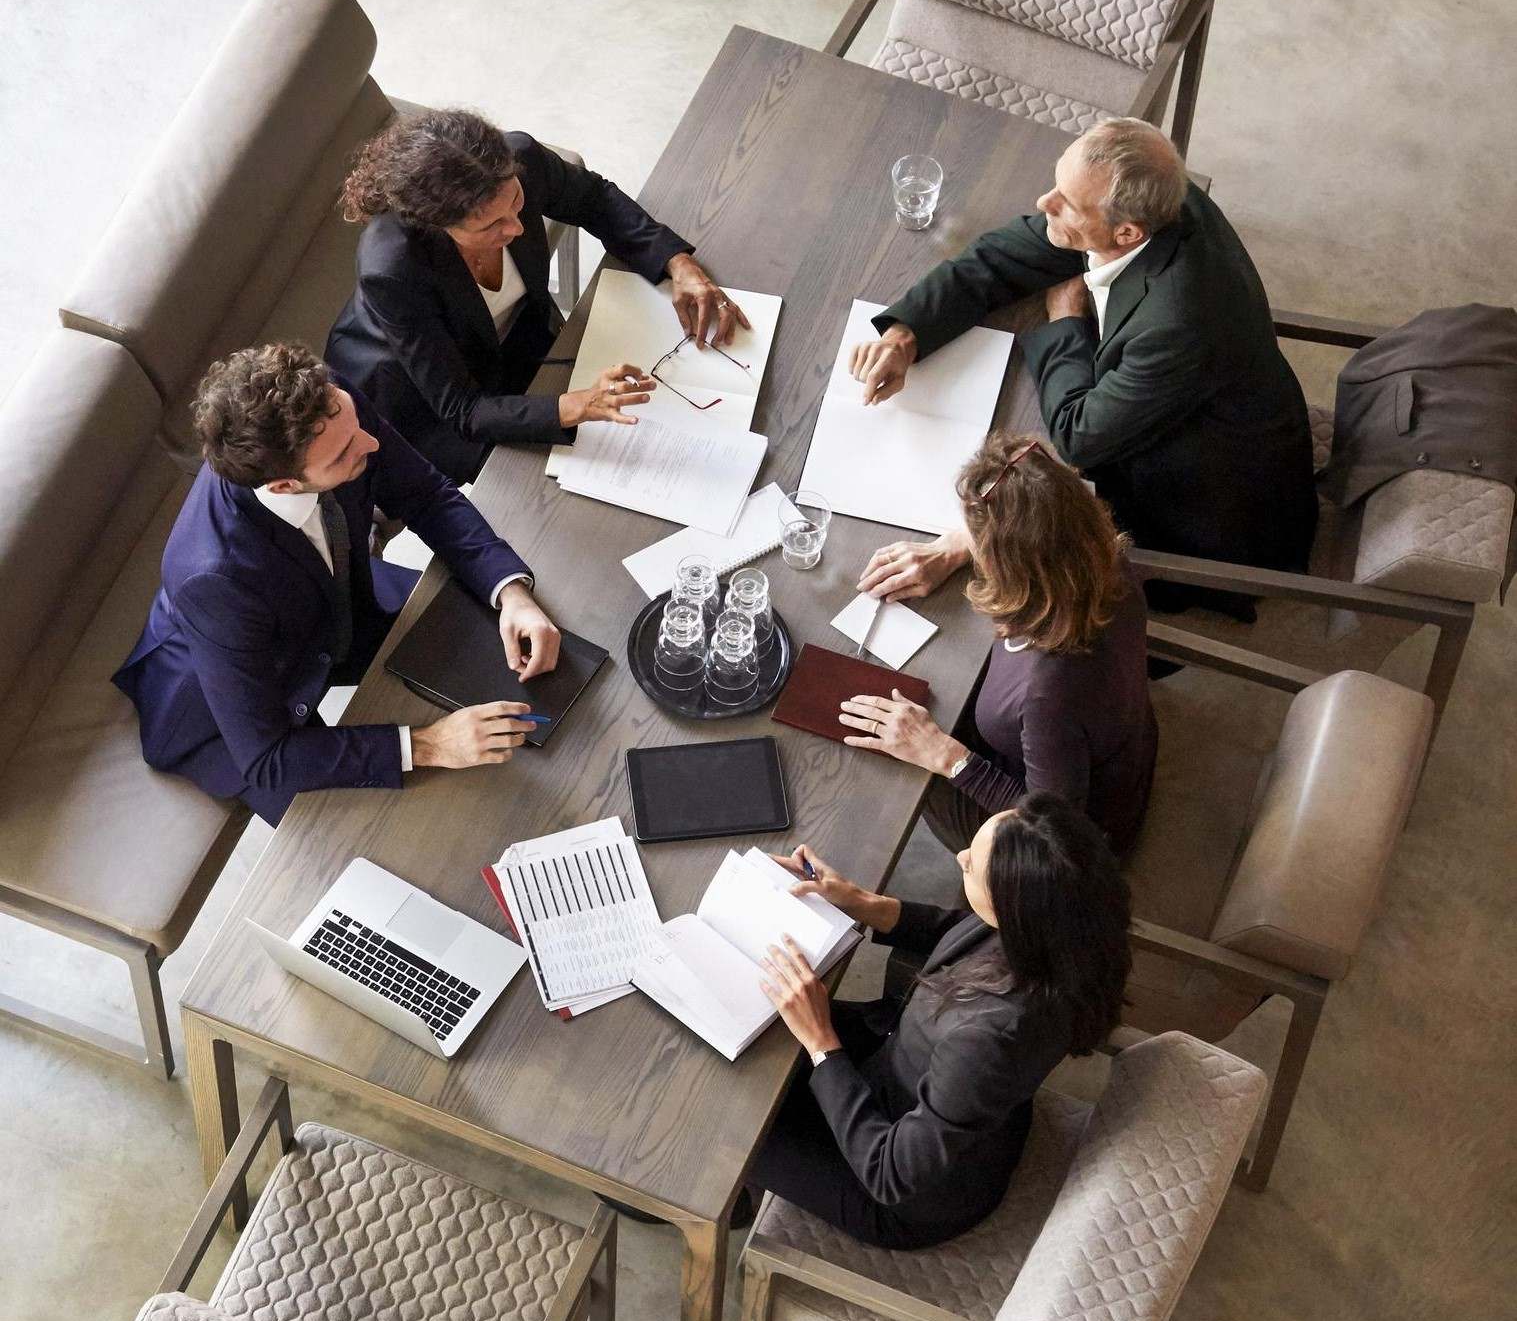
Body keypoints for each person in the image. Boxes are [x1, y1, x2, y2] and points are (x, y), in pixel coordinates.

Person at [849, 117, 1317, 617]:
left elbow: (1079, 436)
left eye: (1066, 204)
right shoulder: (1158, 196)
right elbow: (1002, 256)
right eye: (1057, 185)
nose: (1043, 203)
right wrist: (905, 334)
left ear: (1127, 231)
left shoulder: (1179, 322)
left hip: (1205, 510)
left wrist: (1065, 320)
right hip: (1182, 406)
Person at [114, 342, 563, 826]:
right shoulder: (213, 577)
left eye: (356, 428)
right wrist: (429, 744)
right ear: (284, 485)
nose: (371, 444)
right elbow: (268, 758)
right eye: (346, 453)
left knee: (511, 661)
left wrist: (511, 592)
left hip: (339, 601)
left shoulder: (331, 411)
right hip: (227, 710)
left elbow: (426, 493)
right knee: (395, 827)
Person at [749, 795, 1131, 1250]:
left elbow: (889, 1175)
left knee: (731, 1129)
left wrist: (821, 1043)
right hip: (910, 1076)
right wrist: (862, 902)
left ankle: (730, 1206)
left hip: (901, 1192)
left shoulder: (991, 1039)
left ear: (1014, 906)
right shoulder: (1063, 931)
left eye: (973, 866)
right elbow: (959, 930)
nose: (960, 857)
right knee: (764, 1024)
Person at [325, 108, 749, 484]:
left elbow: (593, 199)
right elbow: (463, 410)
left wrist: (679, 264)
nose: (518, 229)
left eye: (516, 202)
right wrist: (575, 406)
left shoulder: (519, 157)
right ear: (437, 225)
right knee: (543, 487)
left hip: (516, 337)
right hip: (422, 393)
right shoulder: (393, 269)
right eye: (490, 227)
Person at [839, 433, 1157, 857]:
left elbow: (1054, 831)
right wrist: (954, 545)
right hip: (1113, 745)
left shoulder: (1049, 696)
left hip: (1066, 836)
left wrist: (945, 755)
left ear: (1012, 564)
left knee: (900, 760)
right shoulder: (1099, 555)